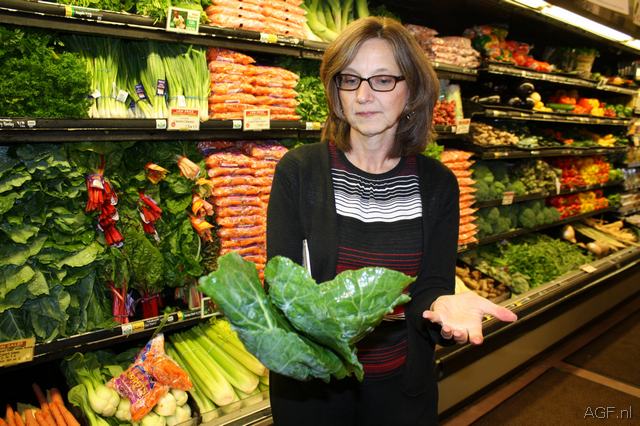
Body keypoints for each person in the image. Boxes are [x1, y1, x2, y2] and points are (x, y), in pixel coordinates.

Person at [266, 16, 517, 426]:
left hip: (400, 393)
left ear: (412, 90)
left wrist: (441, 304)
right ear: (336, 92)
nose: (363, 95)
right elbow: (283, 286)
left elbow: (430, 286)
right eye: (350, 79)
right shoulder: (299, 171)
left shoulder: (438, 185)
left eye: (382, 80)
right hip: (313, 393)